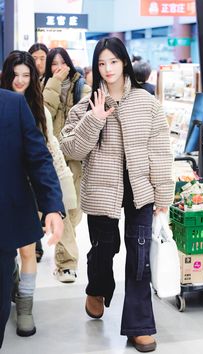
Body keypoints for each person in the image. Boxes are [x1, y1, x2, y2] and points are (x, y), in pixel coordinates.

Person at [59, 37, 174, 353]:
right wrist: (94, 119)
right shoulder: (87, 105)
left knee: (138, 257)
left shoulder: (146, 101)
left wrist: (163, 193)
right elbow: (70, 148)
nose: (107, 69)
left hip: (140, 190)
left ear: (124, 62)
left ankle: (139, 327)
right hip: (100, 189)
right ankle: (97, 288)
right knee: (104, 248)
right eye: (101, 63)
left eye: (113, 61)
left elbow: (160, 150)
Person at [0, 50, 76, 337]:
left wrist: (55, 202)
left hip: (24, 192)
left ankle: (25, 307)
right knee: (13, 258)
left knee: (27, 250)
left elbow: (47, 154)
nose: (20, 81)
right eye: (15, 75)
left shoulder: (30, 106)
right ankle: (13, 289)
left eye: (26, 75)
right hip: (15, 190)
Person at [43, 47, 91, 283]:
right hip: (53, 159)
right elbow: (44, 113)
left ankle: (64, 256)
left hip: (76, 158)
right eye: (54, 63)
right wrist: (53, 83)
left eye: (62, 62)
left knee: (74, 213)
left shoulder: (82, 87)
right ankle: (67, 264)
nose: (58, 67)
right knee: (62, 208)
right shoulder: (44, 86)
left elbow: (88, 119)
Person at [28, 43, 50, 261]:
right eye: (35, 57)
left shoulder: (48, 85)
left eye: (42, 57)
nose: (38, 61)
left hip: (43, 153)